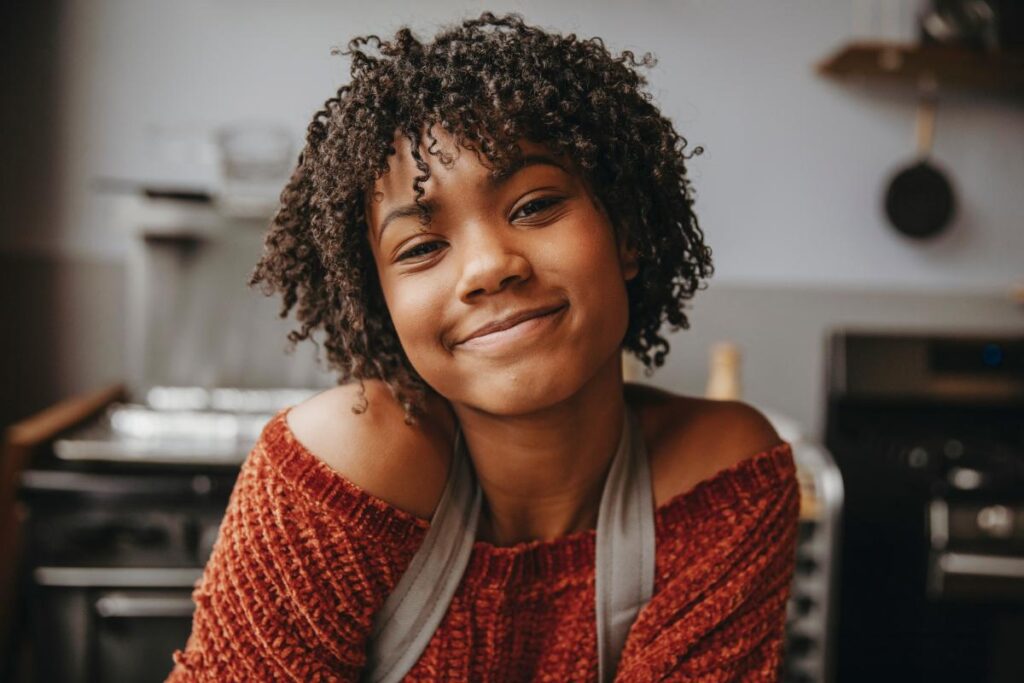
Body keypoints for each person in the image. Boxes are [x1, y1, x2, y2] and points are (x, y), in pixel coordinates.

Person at [168, 12, 799, 682]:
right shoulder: (345, 471)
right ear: (381, 301)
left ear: (629, 231)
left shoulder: (717, 483)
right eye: (421, 247)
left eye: (533, 206)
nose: (488, 266)